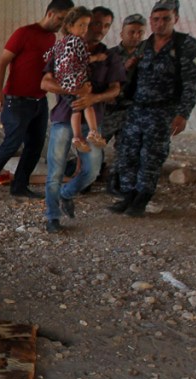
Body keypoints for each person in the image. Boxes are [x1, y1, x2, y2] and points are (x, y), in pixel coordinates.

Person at [109, 0, 196, 216]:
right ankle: (128, 195)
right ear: (151, 21)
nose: (160, 24)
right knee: (128, 154)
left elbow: (192, 81)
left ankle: (142, 198)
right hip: (137, 109)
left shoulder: (184, 45)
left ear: (175, 19)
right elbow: (130, 78)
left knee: (151, 156)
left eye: (166, 19)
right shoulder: (144, 46)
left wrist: (183, 114)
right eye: (156, 19)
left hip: (162, 111)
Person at [0, 0, 75, 199]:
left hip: (39, 101)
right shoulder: (24, 33)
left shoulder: (53, 38)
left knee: (35, 146)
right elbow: (2, 63)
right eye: (60, 19)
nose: (61, 24)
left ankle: (20, 186)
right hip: (16, 100)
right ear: (50, 13)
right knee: (12, 143)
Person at [41, 5, 126, 233]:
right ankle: (52, 217)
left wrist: (93, 97)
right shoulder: (64, 48)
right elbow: (45, 83)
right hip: (63, 116)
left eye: (106, 25)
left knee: (91, 170)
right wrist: (74, 91)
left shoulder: (109, 56)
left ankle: (66, 195)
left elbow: (115, 89)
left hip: (91, 118)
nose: (99, 29)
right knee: (55, 170)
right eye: (95, 23)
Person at [44, 7, 108, 153]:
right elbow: (83, 59)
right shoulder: (76, 42)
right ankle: (92, 132)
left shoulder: (62, 43)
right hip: (74, 81)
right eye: (81, 25)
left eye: (87, 25)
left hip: (66, 81)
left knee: (77, 109)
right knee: (87, 104)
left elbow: (50, 55)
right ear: (69, 26)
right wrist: (97, 58)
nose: (85, 29)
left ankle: (77, 137)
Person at [101, 13, 148, 194]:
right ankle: (89, 176)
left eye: (140, 32)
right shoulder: (109, 55)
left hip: (132, 110)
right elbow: (100, 81)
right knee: (95, 146)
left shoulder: (147, 55)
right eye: (131, 32)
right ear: (122, 33)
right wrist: (124, 68)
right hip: (109, 110)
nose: (136, 36)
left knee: (125, 149)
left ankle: (116, 183)